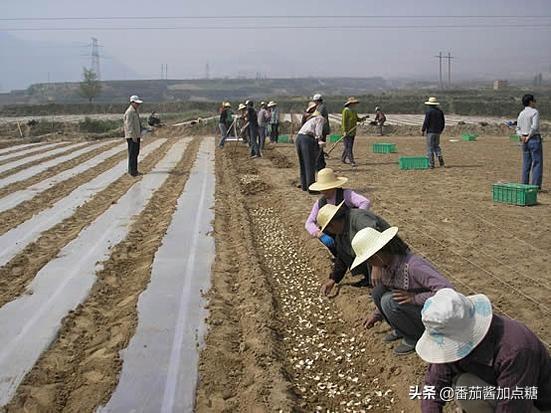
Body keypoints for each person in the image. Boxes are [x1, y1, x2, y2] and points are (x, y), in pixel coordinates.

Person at [416, 288, 551, 412]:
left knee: (466, 388)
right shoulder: (453, 328)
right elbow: (433, 387)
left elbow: (513, 407)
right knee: (463, 385)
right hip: (500, 394)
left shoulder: (516, 350)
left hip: (533, 405)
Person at [351, 226, 453, 354]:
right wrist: (376, 315)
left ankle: (415, 337)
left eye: (370, 260)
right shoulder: (386, 266)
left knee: (389, 301)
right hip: (414, 308)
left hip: (432, 313)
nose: (371, 265)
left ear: (379, 252)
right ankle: (401, 330)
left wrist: (414, 298)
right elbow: (389, 289)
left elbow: (447, 291)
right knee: (378, 292)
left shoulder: (413, 266)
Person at [317, 202, 396, 296]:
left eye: (328, 228)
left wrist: (376, 266)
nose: (329, 231)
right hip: (376, 260)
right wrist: (333, 280)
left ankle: (386, 282)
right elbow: (342, 258)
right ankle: (371, 279)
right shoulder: (341, 234)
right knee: (345, 250)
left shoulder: (358, 218)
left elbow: (376, 236)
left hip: (390, 254)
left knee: (382, 292)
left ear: (332, 224)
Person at [305, 168, 371, 255]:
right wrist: (319, 234)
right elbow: (309, 223)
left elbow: (365, 202)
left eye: (327, 189)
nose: (324, 192)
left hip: (349, 232)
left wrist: (355, 219)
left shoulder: (346, 194)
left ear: (333, 186)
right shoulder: (320, 203)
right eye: (322, 189)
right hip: (333, 235)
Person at [516, 94, 543, 190]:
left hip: (524, 139)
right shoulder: (534, 112)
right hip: (533, 138)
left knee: (526, 163)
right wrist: (529, 136)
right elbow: (534, 126)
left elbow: (518, 128)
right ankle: (535, 186)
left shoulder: (521, 113)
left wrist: (522, 136)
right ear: (530, 102)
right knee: (537, 163)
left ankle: (524, 184)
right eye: (534, 100)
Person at [295, 108, 326, 192]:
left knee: (303, 163)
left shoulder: (310, 121)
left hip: (299, 138)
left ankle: (304, 185)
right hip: (307, 139)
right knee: (310, 164)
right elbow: (318, 132)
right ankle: (311, 187)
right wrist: (320, 141)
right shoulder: (320, 119)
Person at [341, 97, 367, 166]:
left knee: (349, 146)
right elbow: (344, 122)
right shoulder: (346, 111)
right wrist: (344, 131)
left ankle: (343, 158)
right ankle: (351, 161)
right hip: (347, 132)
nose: (355, 105)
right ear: (350, 104)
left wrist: (363, 119)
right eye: (354, 103)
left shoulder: (354, 111)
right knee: (348, 147)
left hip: (352, 132)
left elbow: (357, 119)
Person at [422, 97, 445, 169]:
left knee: (430, 147)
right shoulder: (440, 112)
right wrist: (440, 130)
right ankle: (441, 160)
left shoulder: (429, 112)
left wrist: (423, 130)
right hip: (438, 132)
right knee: (436, 146)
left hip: (430, 132)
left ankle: (431, 164)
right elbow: (443, 122)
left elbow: (426, 122)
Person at [124, 94, 144, 177]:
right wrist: (133, 136)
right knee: (132, 154)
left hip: (136, 136)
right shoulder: (130, 112)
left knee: (135, 153)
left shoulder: (135, 111)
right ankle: (132, 172)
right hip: (132, 137)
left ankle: (134, 170)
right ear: (132, 102)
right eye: (136, 103)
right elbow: (129, 126)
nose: (138, 105)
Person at [313, 93, 331, 170]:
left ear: (317, 101)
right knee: (319, 147)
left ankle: (320, 165)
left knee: (319, 147)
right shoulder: (321, 106)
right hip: (322, 129)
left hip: (321, 130)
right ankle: (321, 163)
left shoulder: (321, 107)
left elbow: (317, 117)